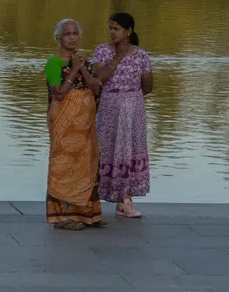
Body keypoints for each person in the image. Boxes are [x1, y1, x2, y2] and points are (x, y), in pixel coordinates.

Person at [90, 13, 153, 219]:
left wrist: (129, 98)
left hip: (133, 110)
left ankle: (125, 200)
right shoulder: (102, 51)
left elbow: (148, 86)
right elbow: (100, 78)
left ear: (128, 31)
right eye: (110, 28)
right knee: (106, 150)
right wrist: (118, 57)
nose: (111, 32)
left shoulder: (141, 55)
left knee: (128, 150)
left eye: (116, 28)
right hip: (109, 108)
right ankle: (92, 198)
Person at [44, 19, 102, 230]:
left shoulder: (84, 61)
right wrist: (73, 71)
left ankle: (87, 214)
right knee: (64, 164)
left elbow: (96, 87)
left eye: (75, 33)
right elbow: (58, 94)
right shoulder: (53, 62)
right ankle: (63, 217)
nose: (72, 37)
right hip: (64, 121)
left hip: (85, 122)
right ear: (59, 38)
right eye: (68, 34)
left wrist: (81, 69)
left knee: (86, 164)